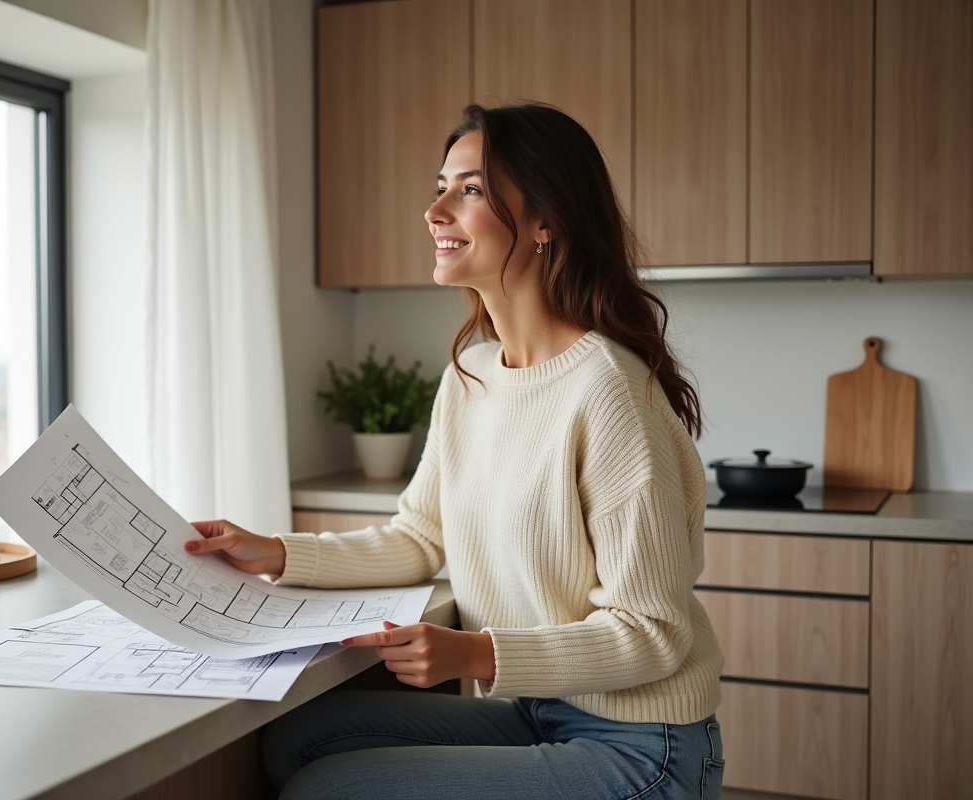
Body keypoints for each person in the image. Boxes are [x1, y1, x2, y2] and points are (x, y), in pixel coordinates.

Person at [186, 103, 725, 800]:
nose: (435, 209)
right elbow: (420, 536)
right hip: (546, 714)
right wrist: (277, 552)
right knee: (296, 739)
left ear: (546, 222)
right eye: (441, 185)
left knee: (325, 789)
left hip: (644, 748)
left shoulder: (609, 391)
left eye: (469, 189)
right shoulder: (472, 375)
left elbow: (652, 634)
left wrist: (475, 652)